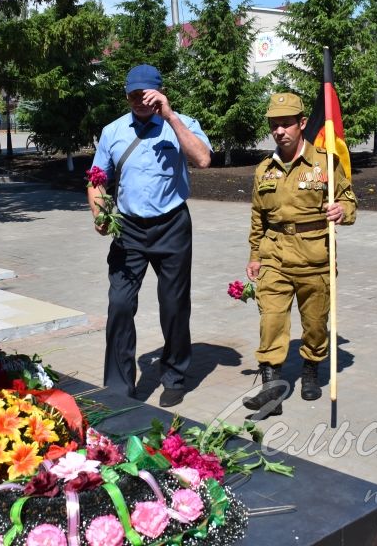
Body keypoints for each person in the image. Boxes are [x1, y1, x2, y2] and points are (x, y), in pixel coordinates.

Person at [88, 64, 212, 408]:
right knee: (120, 304)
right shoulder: (113, 131)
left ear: (159, 92)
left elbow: (202, 159)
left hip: (171, 226)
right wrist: (99, 214)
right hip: (128, 229)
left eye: (145, 93)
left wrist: (170, 116)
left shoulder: (181, 124)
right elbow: (97, 179)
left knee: (173, 305)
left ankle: (174, 375)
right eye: (133, 94)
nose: (139, 100)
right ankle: (118, 386)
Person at [242, 93, 357, 420]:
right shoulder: (264, 169)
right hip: (275, 254)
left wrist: (340, 210)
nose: (279, 131)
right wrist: (254, 255)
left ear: (302, 123)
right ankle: (272, 390)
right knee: (272, 321)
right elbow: (257, 217)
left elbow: (350, 202)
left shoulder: (325, 162)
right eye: (274, 125)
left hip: (314, 255)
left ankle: (309, 369)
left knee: (315, 324)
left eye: (286, 124)